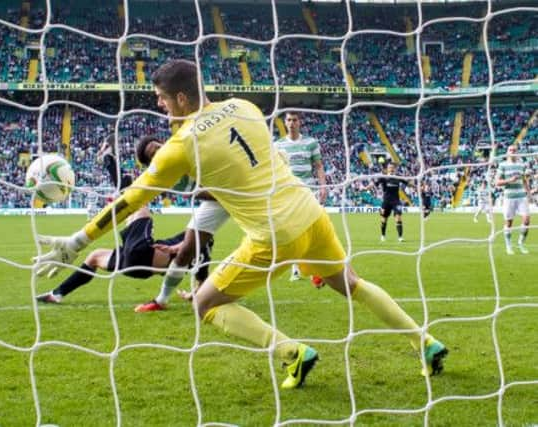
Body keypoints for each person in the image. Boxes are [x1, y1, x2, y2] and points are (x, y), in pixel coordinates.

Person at [34, 60, 447, 389]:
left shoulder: (180, 146)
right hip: (309, 212)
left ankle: (292, 352)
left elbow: (131, 200)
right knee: (351, 283)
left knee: (205, 303)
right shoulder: (246, 107)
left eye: (162, 98)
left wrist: (77, 240)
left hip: (275, 234)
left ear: (180, 97)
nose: (160, 105)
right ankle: (424, 341)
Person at [35, 206, 214, 303]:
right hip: (138, 268)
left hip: (142, 255)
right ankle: (56, 294)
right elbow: (202, 281)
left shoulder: (197, 241)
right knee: (95, 256)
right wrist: (192, 295)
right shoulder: (202, 253)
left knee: (140, 206)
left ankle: (112, 164)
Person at [132, 136, 230, 312]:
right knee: (186, 251)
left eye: (159, 146)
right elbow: (210, 195)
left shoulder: (185, 148)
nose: (159, 150)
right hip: (222, 197)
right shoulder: (172, 179)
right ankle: (161, 301)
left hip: (242, 189)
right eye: (154, 153)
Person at [275, 111, 327, 281]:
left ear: (300, 122)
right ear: (285, 122)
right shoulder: (278, 145)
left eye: (295, 120)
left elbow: (318, 166)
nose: (291, 123)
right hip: (288, 192)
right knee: (293, 230)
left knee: (310, 228)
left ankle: (314, 267)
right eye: (289, 120)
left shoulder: (311, 143)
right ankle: (296, 268)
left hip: (308, 190)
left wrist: (323, 186)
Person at [495, 145, 531, 255]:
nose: (512, 151)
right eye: (510, 150)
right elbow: (497, 183)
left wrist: (529, 193)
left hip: (521, 197)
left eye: (514, 150)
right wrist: (510, 180)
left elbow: (524, 180)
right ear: (507, 152)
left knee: (526, 220)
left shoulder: (521, 165)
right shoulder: (502, 165)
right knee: (509, 223)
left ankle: (521, 244)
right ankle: (508, 246)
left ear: (517, 152)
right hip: (509, 197)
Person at [375, 162, 407, 242]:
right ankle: (383, 235)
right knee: (384, 219)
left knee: (398, 218)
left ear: (395, 169)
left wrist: (418, 187)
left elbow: (408, 183)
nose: (391, 169)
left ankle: (400, 237)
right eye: (390, 167)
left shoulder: (398, 177)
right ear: (387, 169)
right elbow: (374, 184)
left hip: (396, 201)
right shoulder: (383, 177)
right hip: (386, 201)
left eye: (393, 167)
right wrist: (366, 188)